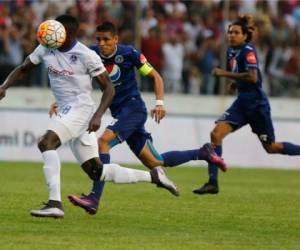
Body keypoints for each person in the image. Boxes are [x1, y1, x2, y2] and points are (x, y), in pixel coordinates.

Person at [0, 15, 179, 219]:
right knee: (96, 171)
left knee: (46, 142)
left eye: (55, 31)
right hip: (69, 110)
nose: (48, 36)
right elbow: (24, 68)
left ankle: (54, 203)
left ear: (66, 34)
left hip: (80, 110)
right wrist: (4, 86)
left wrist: (97, 116)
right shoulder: (45, 48)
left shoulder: (86, 55)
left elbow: (108, 88)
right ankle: (154, 176)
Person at [64, 21, 227, 215]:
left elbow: (156, 76)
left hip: (133, 109)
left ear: (115, 39)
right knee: (155, 162)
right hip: (121, 113)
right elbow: (76, 78)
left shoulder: (129, 54)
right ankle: (203, 152)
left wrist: (159, 104)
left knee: (103, 143)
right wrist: (62, 99)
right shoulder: (91, 54)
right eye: (98, 39)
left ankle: (94, 198)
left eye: (106, 39)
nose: (102, 43)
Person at [194, 15, 300, 195]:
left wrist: (224, 74)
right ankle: (212, 182)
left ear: (244, 36)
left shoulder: (248, 50)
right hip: (242, 103)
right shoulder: (231, 51)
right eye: (230, 32)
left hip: (257, 105)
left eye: (236, 33)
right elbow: (243, 74)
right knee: (216, 134)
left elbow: (252, 77)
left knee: (271, 148)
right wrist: (235, 84)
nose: (231, 35)